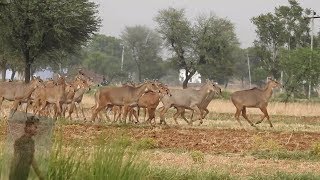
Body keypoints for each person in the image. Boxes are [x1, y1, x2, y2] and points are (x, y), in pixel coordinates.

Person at [9, 116, 44, 180]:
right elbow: (15, 160)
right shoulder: (20, 142)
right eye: (35, 127)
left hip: (24, 175)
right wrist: (11, 177)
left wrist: (40, 175)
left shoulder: (31, 142)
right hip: (17, 175)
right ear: (29, 127)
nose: (37, 130)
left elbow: (32, 159)